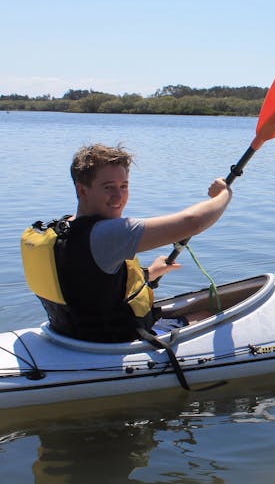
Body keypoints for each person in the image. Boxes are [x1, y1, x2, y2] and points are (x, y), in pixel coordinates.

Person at [21, 143, 232, 343]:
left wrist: (150, 273)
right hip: (115, 344)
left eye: (124, 186)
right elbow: (192, 222)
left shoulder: (62, 230)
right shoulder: (109, 233)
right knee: (208, 314)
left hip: (70, 336)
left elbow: (86, 284)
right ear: (82, 190)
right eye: (108, 187)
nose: (118, 196)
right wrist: (223, 194)